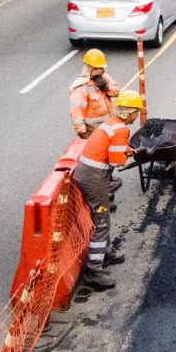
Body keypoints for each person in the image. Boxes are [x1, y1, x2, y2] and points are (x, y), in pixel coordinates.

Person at [71, 90, 144, 290]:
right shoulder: (122, 130)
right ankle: (94, 270)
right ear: (131, 112)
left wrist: (128, 150)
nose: (137, 115)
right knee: (101, 222)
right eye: (137, 111)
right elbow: (115, 161)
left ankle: (106, 253)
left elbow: (111, 147)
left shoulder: (113, 123)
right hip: (94, 178)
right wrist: (128, 156)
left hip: (88, 173)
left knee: (103, 218)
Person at [69, 48, 120, 138]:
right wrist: (83, 133)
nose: (99, 71)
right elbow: (77, 113)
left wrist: (106, 87)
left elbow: (117, 91)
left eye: (101, 68)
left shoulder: (105, 78)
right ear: (88, 68)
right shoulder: (80, 87)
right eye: (95, 68)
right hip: (93, 133)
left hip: (110, 128)